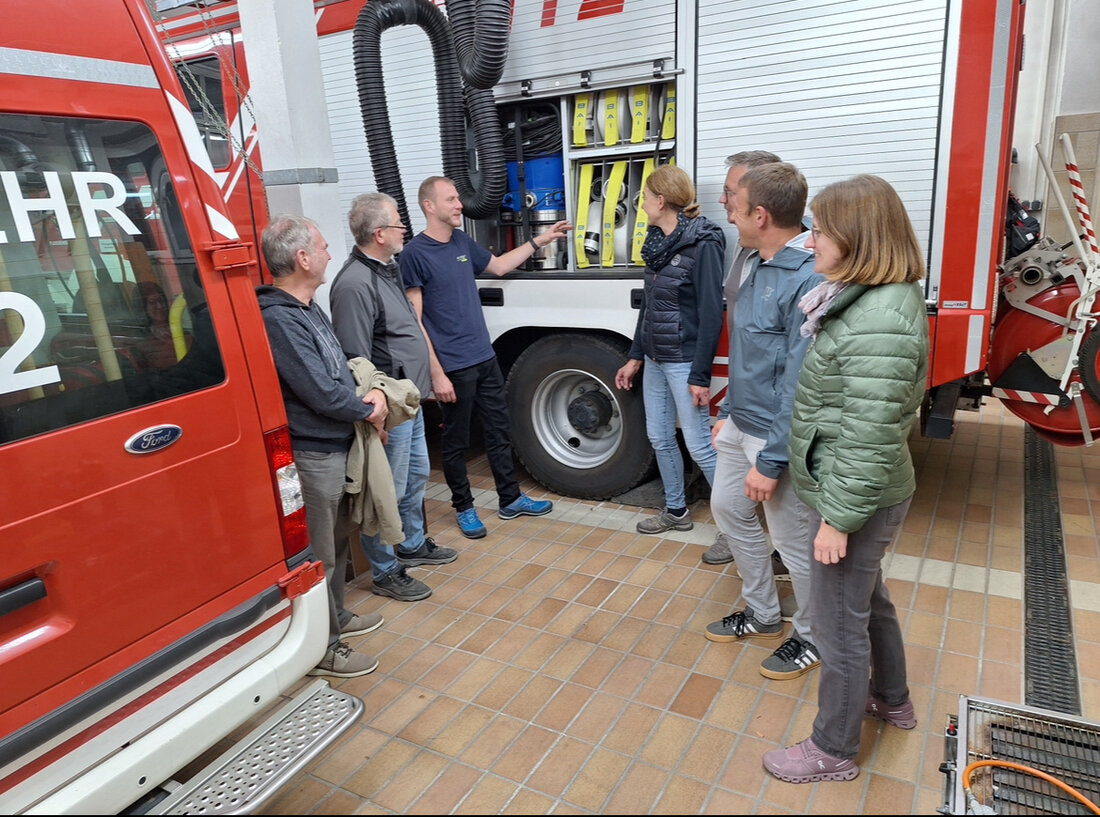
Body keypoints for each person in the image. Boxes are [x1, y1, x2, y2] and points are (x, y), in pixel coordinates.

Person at [762, 175, 929, 783]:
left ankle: (833, 749)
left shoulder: (878, 316)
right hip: (864, 491)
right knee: (868, 601)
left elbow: (869, 433)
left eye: (823, 228)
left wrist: (836, 520)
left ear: (857, 237)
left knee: (837, 626)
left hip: (853, 497)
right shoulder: (874, 297)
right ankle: (893, 698)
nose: (813, 239)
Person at [702, 160, 824, 682]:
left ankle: (814, 637)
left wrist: (772, 459)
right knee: (727, 510)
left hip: (777, 435)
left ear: (761, 213)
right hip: (740, 422)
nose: (726, 207)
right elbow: (751, 350)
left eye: (733, 199)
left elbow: (799, 379)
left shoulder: (810, 274)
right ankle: (764, 613)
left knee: (794, 540)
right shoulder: (752, 258)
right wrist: (727, 412)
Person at [400, 175, 572, 539]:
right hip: (453, 365)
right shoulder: (415, 254)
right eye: (451, 200)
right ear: (429, 206)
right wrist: (437, 374)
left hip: (484, 356)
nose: (459, 205)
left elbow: (497, 266)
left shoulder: (462, 240)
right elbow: (415, 322)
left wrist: (539, 239)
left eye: (458, 198)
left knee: (498, 429)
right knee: (457, 442)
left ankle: (509, 499)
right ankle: (464, 508)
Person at [256, 213, 387, 678]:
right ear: (302, 257)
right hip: (314, 454)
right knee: (320, 553)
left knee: (338, 542)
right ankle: (323, 647)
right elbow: (320, 391)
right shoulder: (279, 319)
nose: (332, 253)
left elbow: (338, 375)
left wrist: (368, 394)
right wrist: (369, 409)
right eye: (324, 246)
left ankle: (339, 616)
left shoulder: (309, 308)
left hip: (335, 445)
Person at [330, 191, 457, 602]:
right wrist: (377, 417)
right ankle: (386, 572)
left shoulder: (387, 269)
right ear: (380, 233)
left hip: (409, 400)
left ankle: (413, 545)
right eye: (399, 223)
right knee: (386, 490)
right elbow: (356, 358)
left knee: (414, 477)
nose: (406, 229)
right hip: (390, 408)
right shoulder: (354, 283)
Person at [613, 164, 725, 535]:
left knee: (699, 445)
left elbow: (711, 312)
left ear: (661, 200)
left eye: (645, 197)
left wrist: (699, 375)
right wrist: (635, 356)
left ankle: (736, 532)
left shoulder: (704, 242)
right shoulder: (656, 242)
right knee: (660, 437)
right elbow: (649, 306)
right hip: (656, 359)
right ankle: (676, 510)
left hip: (684, 361)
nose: (641, 204)